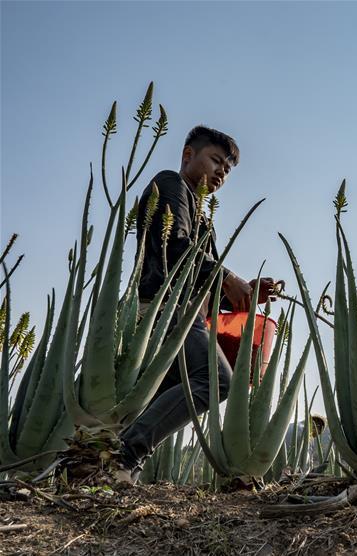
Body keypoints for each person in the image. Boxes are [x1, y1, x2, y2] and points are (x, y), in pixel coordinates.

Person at [116, 125, 274, 482]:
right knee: (217, 380)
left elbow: (200, 281)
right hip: (161, 309)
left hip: (183, 314)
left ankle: (113, 465)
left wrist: (245, 290)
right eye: (216, 160)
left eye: (227, 170)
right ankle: (124, 454)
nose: (221, 172)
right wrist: (228, 278)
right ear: (188, 155)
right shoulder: (172, 184)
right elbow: (174, 248)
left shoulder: (202, 216)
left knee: (156, 394)